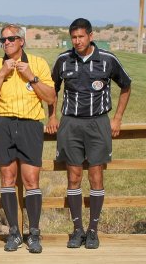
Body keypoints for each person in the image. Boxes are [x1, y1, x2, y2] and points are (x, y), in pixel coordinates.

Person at [46, 18, 131, 249]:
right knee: (73, 178)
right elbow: (51, 89)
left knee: (96, 177)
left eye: (81, 36)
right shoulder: (64, 60)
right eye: (74, 37)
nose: (77, 41)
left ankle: (93, 231)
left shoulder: (107, 60)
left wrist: (118, 118)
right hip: (70, 124)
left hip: (98, 124)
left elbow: (126, 85)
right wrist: (52, 116)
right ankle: (77, 231)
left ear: (91, 36)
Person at [0, 24, 55, 254]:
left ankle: (33, 233)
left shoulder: (38, 63)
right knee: (7, 178)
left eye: (12, 38)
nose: (7, 43)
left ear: (22, 41)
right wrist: (2, 73)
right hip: (4, 123)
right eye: (3, 40)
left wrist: (31, 76)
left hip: (30, 123)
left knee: (31, 179)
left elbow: (50, 96)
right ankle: (14, 231)